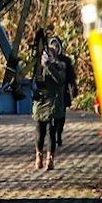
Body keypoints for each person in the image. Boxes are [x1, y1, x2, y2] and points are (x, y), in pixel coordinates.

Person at [32, 36, 73, 170]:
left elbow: (60, 80)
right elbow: (36, 81)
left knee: (52, 133)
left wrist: (49, 66)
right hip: (41, 104)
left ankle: (50, 159)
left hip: (54, 104)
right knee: (40, 133)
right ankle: (38, 157)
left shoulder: (61, 65)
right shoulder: (39, 66)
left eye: (49, 55)